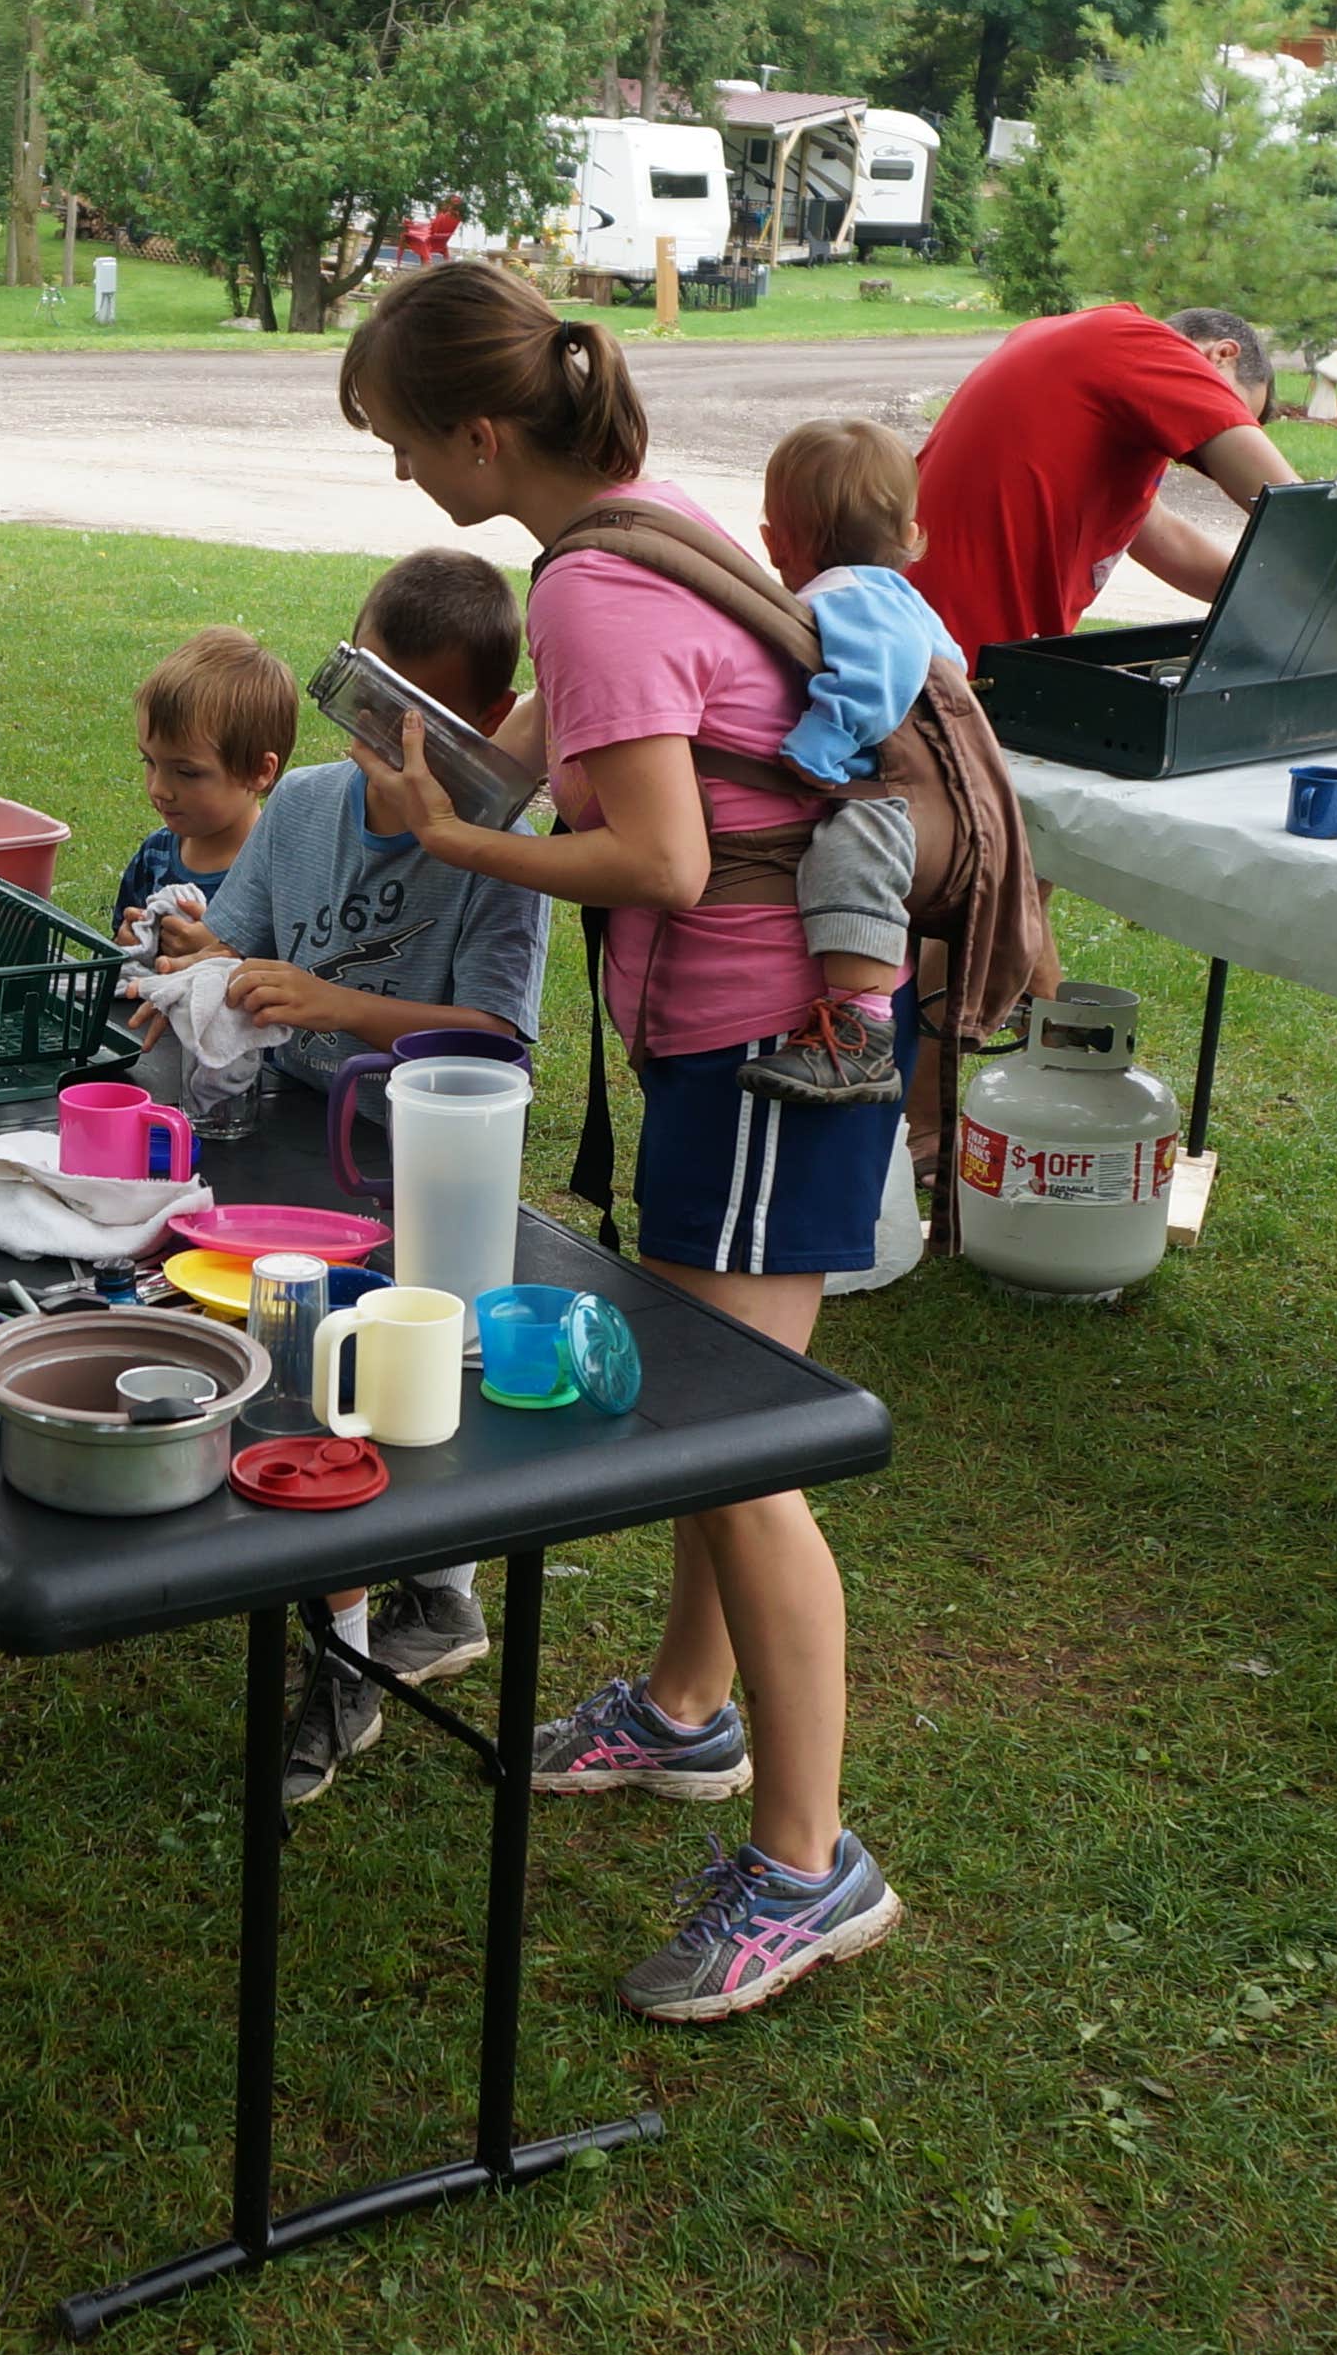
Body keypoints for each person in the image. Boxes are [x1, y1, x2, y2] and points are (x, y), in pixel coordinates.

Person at [327, 260, 904, 2025]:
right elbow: (566, 768)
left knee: (737, 1447)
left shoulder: (585, 590)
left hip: (756, 1051)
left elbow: (654, 856)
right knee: (707, 1420)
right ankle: (681, 1712)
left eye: (409, 444)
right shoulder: (640, 527)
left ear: (486, 431)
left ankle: (809, 1867)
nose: (407, 480)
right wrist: (446, 777)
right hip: (766, 1045)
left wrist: (460, 846)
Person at [147, 548, 547, 1803]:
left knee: (362, 1397)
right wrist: (208, 959)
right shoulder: (310, 804)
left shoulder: (497, 850)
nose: (377, 734)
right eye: (362, 693)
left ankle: (354, 1668)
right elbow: (248, 947)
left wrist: (335, 1002)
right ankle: (413, 1609)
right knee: (314, 1383)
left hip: (414, 1173)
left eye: (412, 719)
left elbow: (495, 1041)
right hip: (287, 1144)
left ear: (482, 728)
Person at [736, 419, 964, 1112]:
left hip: (896, 802)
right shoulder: (890, 593)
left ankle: (861, 1031)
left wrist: (819, 746)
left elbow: (874, 678)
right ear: (913, 534)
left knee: (849, 855)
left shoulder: (849, 595)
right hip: (927, 793)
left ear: (775, 541)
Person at [905, 301, 1305, 650]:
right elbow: (1299, 510)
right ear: (1222, 354)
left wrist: (1270, 600)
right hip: (947, 648)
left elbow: (1165, 538)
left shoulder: (1102, 364)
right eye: (1233, 410)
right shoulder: (1139, 342)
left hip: (954, 641)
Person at [109, 627, 295, 947]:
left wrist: (220, 954)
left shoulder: (281, 876)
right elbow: (118, 943)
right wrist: (126, 943)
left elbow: (293, 976)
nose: (159, 788)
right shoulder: (155, 854)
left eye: (186, 772)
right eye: (149, 762)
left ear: (258, 771)